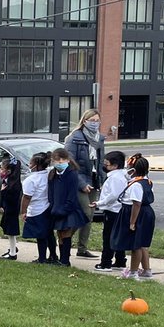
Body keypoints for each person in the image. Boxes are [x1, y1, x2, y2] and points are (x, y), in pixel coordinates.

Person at [65, 109, 105, 257]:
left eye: (97, 121)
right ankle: (65, 236)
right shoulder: (74, 138)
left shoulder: (99, 138)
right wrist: (82, 184)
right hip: (79, 180)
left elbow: (101, 161)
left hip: (94, 179)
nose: (94, 124)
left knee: (90, 216)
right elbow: (70, 163)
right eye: (91, 120)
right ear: (84, 121)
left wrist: (103, 179)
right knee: (85, 213)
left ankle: (82, 248)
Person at [113, 156, 155, 281]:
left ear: (133, 170)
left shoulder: (136, 185)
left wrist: (132, 222)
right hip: (147, 213)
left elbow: (136, 204)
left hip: (136, 213)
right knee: (142, 243)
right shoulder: (147, 181)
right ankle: (147, 270)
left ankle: (133, 272)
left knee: (135, 244)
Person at [48, 147, 89, 266]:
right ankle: (61, 259)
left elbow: (72, 195)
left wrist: (65, 209)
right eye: (57, 159)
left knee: (66, 232)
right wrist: (53, 206)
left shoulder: (72, 173)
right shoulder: (52, 174)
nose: (60, 162)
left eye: (63, 159)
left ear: (68, 160)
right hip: (56, 208)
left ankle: (65, 260)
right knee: (59, 233)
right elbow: (51, 193)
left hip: (68, 209)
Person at [91, 150, 128, 272]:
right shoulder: (121, 175)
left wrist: (99, 203)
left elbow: (114, 195)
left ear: (115, 165)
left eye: (107, 164)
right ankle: (120, 260)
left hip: (113, 211)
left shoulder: (115, 178)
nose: (104, 166)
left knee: (108, 237)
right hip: (117, 210)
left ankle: (106, 262)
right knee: (117, 236)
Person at [20, 151, 54, 264]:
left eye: (30, 163)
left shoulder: (31, 180)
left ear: (36, 165)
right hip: (48, 207)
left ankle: (42, 258)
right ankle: (53, 255)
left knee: (41, 236)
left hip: (37, 209)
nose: (29, 165)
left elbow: (26, 197)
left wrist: (23, 211)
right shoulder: (49, 174)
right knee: (49, 233)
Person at [0, 158, 22, 260]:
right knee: (6, 228)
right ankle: (12, 248)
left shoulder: (14, 184)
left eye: (2, 169)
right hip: (8, 209)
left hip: (12, 210)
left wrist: (3, 191)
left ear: (9, 171)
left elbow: (11, 198)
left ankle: (12, 253)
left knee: (11, 231)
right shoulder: (7, 181)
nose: (0, 171)